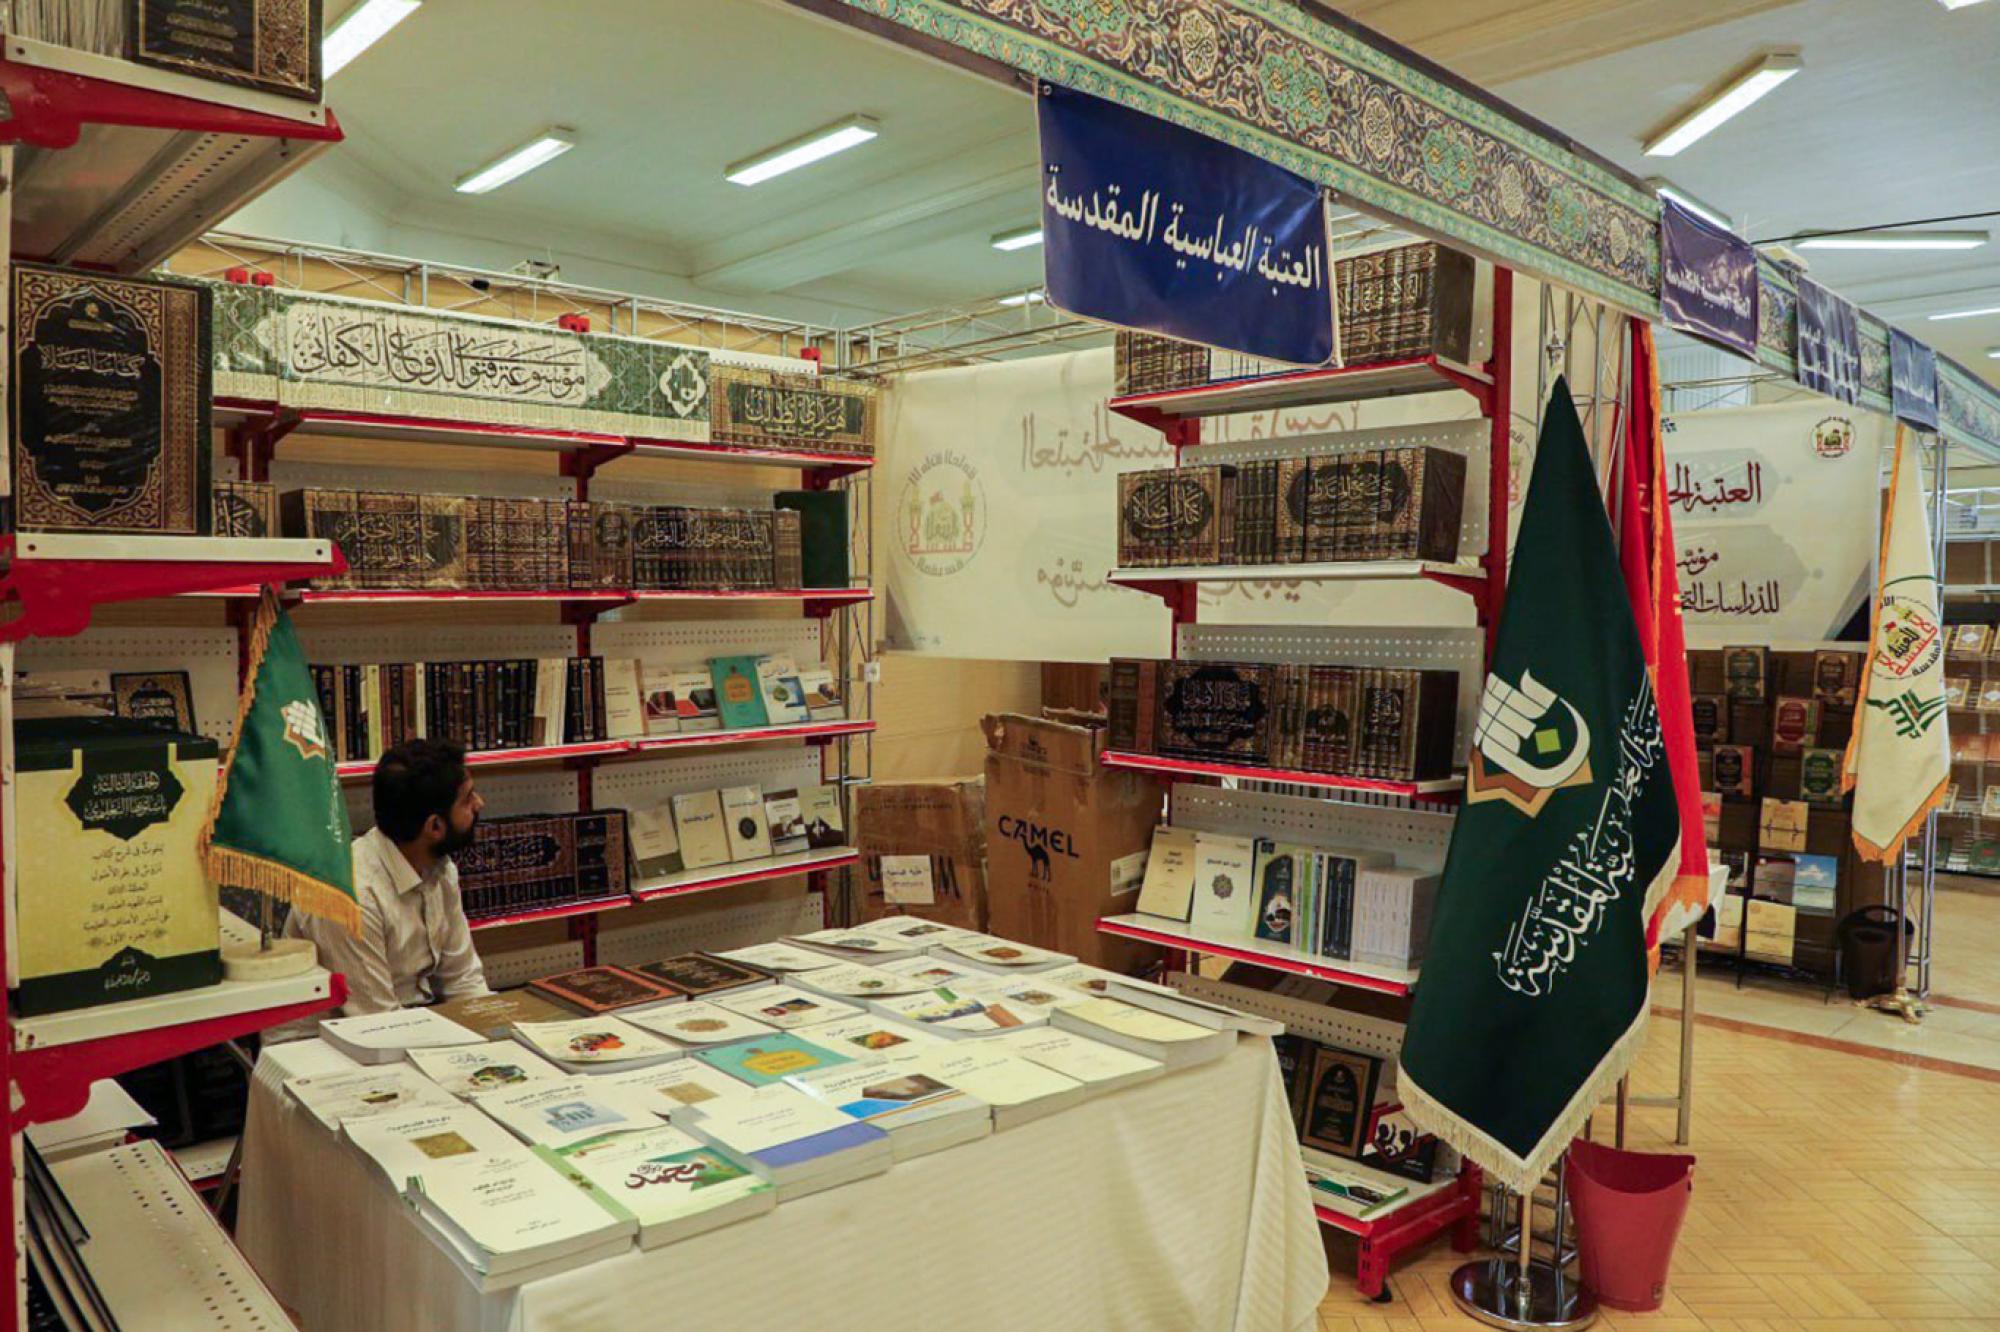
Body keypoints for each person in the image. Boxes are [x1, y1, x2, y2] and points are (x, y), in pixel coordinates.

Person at [286, 737, 491, 1016]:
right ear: (434, 826)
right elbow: (376, 1020)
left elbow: (463, 980)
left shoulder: (440, 868)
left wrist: (495, 1028)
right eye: (468, 799)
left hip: (410, 1021)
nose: (479, 803)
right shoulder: (351, 897)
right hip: (334, 1037)